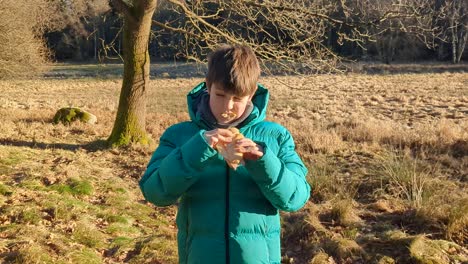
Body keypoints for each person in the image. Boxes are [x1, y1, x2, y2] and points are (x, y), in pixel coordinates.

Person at [139, 44, 310, 264]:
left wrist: (264, 161)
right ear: (208, 86)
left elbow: (295, 198)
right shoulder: (180, 135)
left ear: (252, 95)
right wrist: (197, 149)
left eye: (237, 99)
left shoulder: (275, 137)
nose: (227, 106)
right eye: (220, 95)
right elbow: (154, 192)